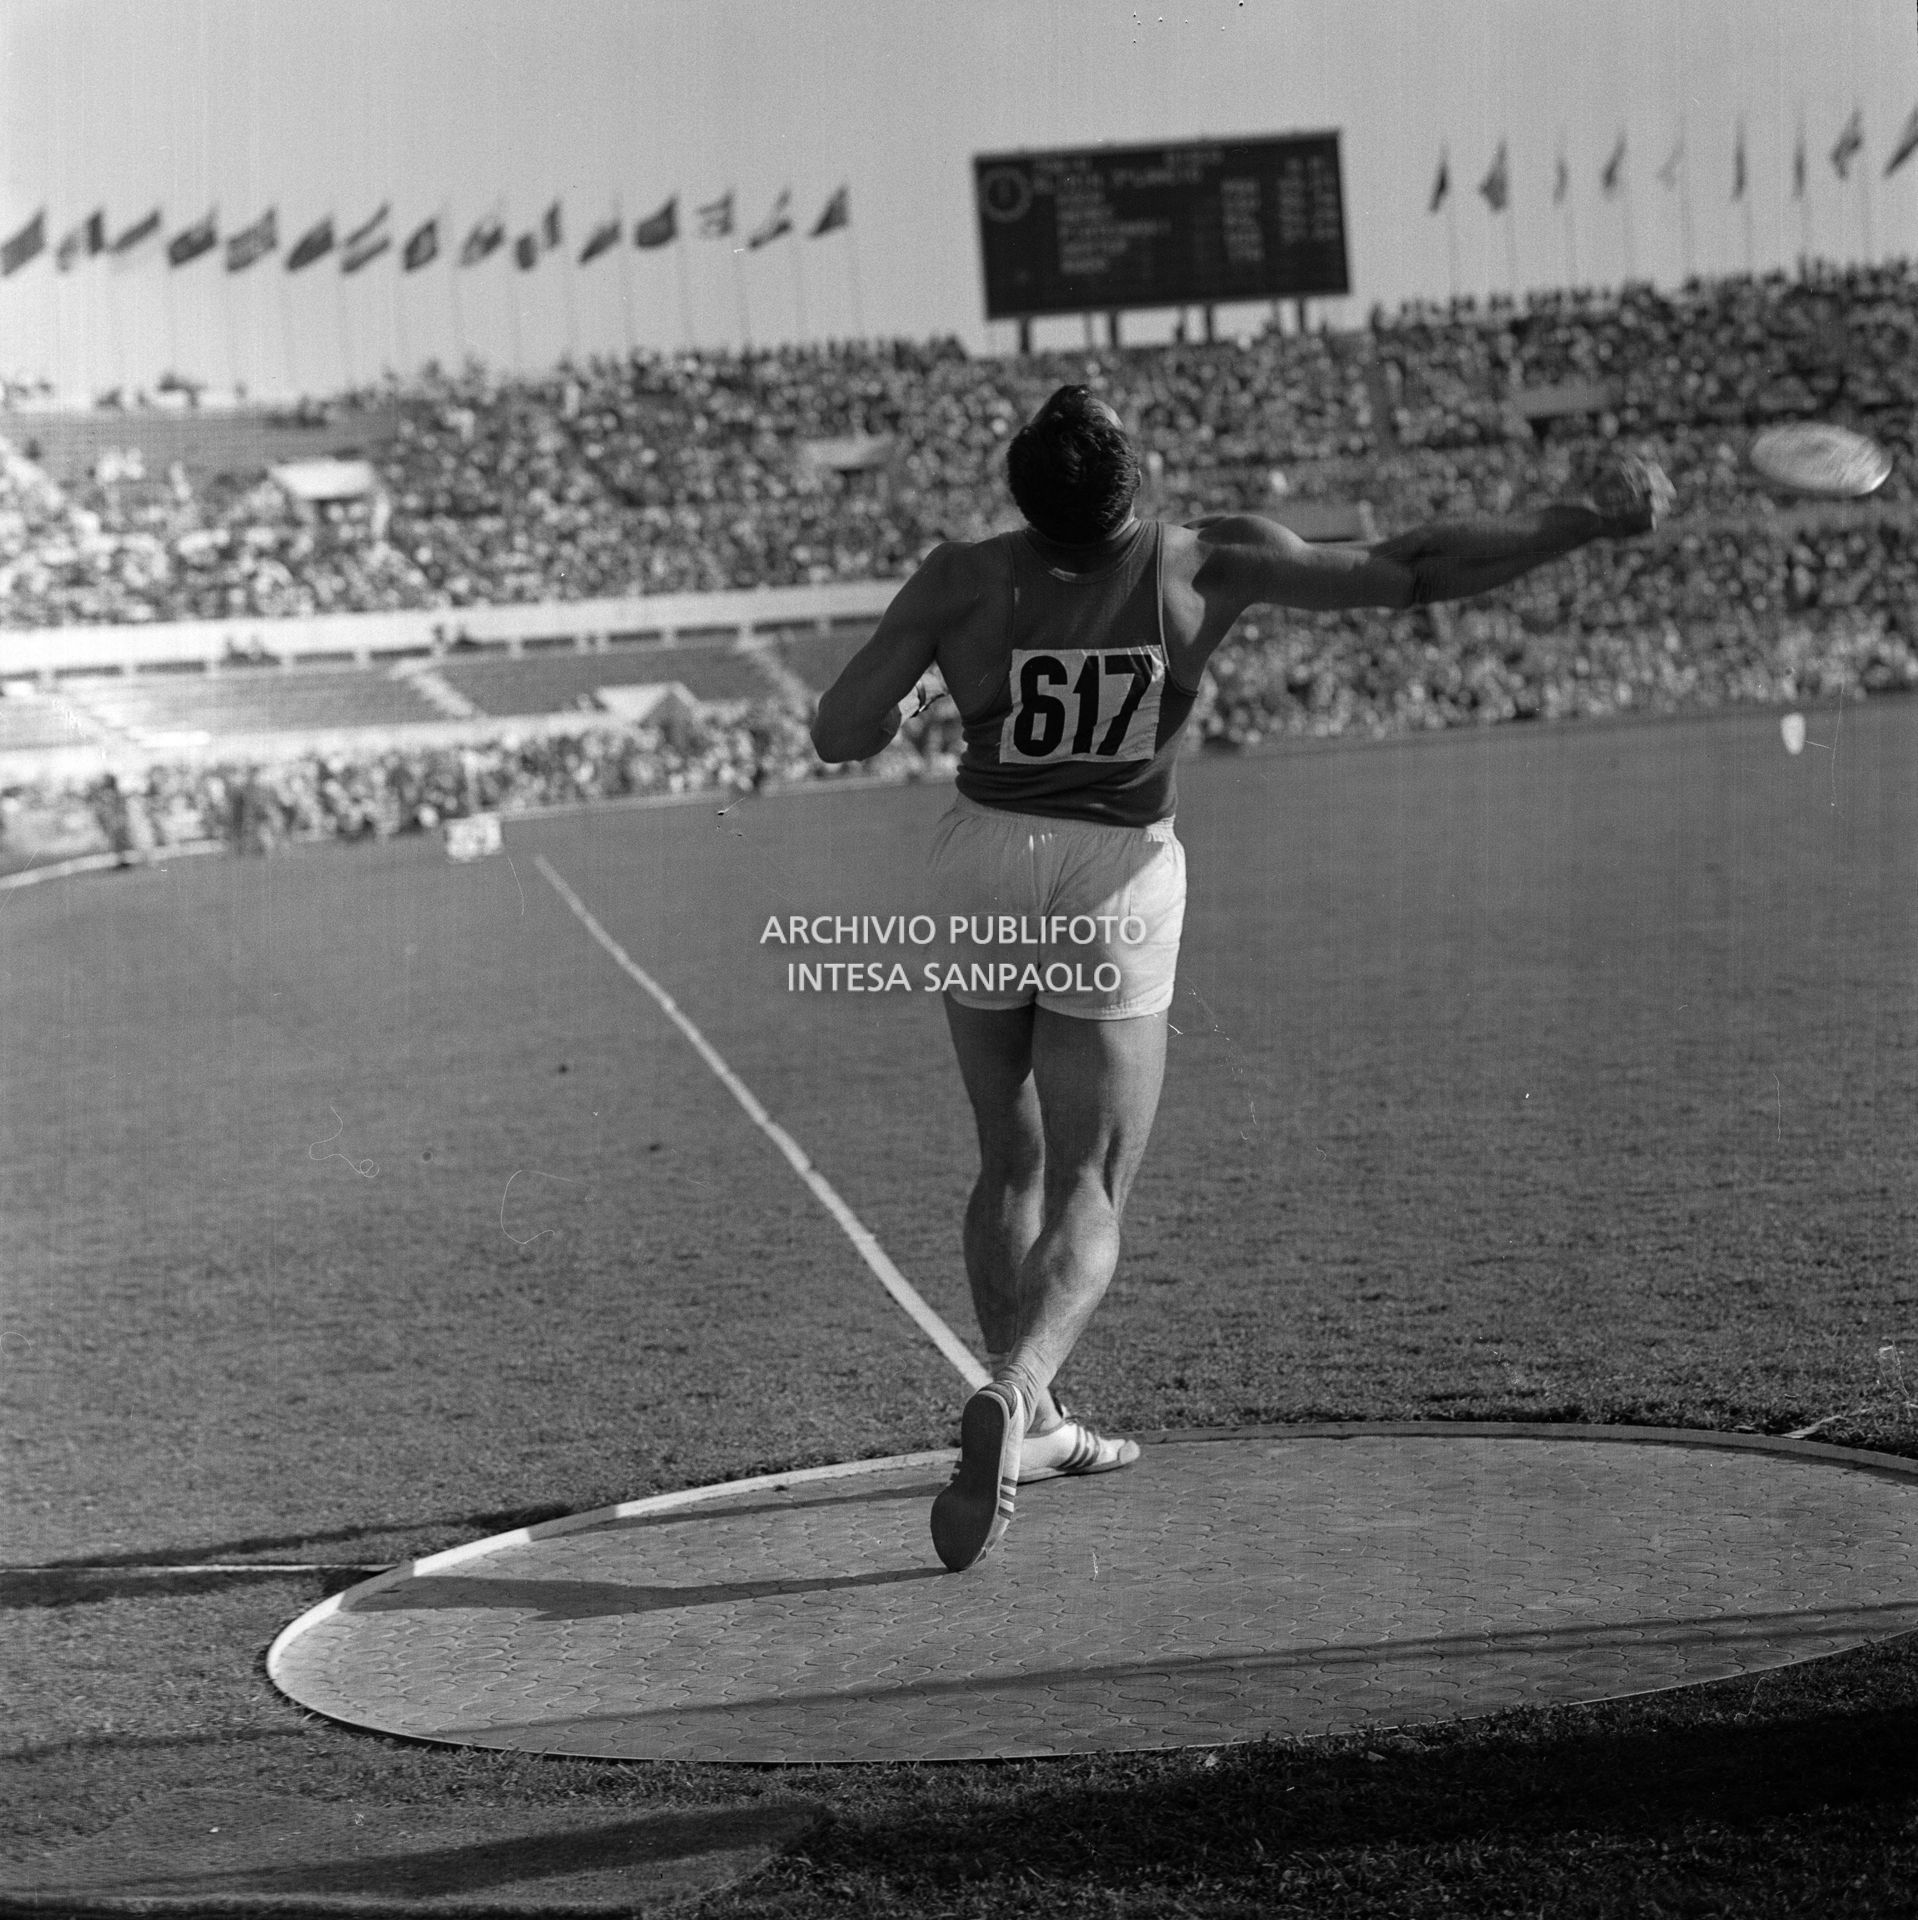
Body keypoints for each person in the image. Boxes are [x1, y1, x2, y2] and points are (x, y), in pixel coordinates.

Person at [810, 384, 1673, 1573]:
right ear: (1135, 480)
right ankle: (1020, 1394)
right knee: (1092, 1182)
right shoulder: (1202, 563)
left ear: (1024, 493)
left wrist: (916, 688)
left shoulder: (960, 575)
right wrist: (1574, 519)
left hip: (984, 858)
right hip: (1115, 871)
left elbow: (837, 730)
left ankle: (1038, 1417)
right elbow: (1409, 567)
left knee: (1004, 1156)